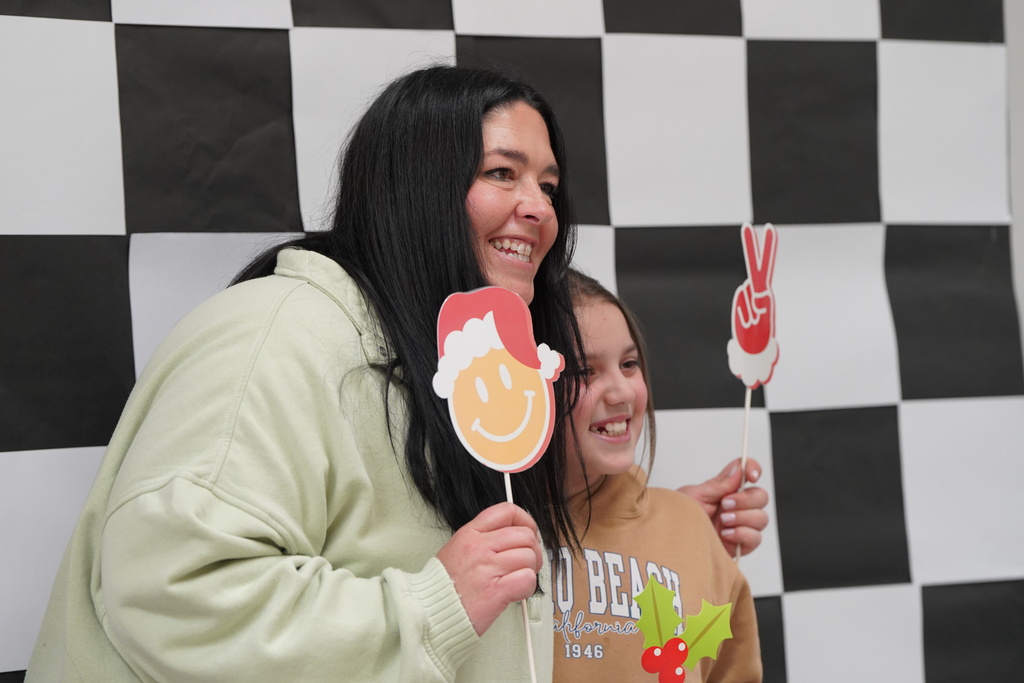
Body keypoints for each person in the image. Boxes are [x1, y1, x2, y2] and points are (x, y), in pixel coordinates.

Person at [27, 65, 587, 682]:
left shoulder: (454, 361)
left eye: (549, 186)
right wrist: (434, 605)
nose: (539, 209)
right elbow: (172, 591)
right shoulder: (275, 334)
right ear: (416, 186)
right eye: (501, 174)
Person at [552, 269, 763, 682]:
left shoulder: (691, 527)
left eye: (629, 364)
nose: (622, 392)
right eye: (584, 372)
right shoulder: (483, 532)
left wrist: (680, 530)